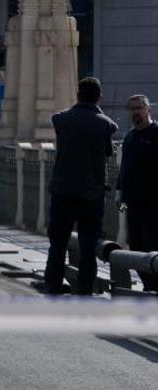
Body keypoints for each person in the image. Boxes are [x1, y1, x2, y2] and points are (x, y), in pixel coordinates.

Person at [41, 77, 118, 295]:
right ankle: (84, 290)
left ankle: (52, 286)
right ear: (99, 96)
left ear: (78, 95)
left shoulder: (61, 119)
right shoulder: (105, 124)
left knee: (57, 244)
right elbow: (107, 151)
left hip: (62, 191)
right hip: (91, 194)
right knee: (88, 246)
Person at [116, 94, 158, 292]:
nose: (135, 112)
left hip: (153, 207)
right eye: (131, 109)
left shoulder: (156, 134)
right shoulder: (130, 137)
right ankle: (148, 287)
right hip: (132, 206)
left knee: (152, 248)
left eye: (138, 108)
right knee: (136, 249)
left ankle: (153, 288)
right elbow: (124, 169)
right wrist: (120, 196)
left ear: (148, 110)